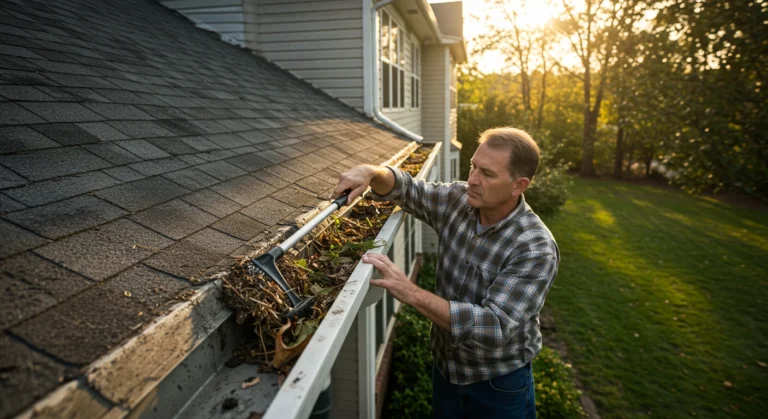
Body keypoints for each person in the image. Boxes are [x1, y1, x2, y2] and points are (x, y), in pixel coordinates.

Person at [332, 127, 559, 419]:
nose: (473, 180)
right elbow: (406, 188)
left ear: (519, 185)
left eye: (487, 174)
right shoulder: (458, 201)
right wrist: (370, 172)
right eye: (473, 166)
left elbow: (495, 326)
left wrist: (411, 292)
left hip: (497, 384)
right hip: (446, 370)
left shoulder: (534, 248)